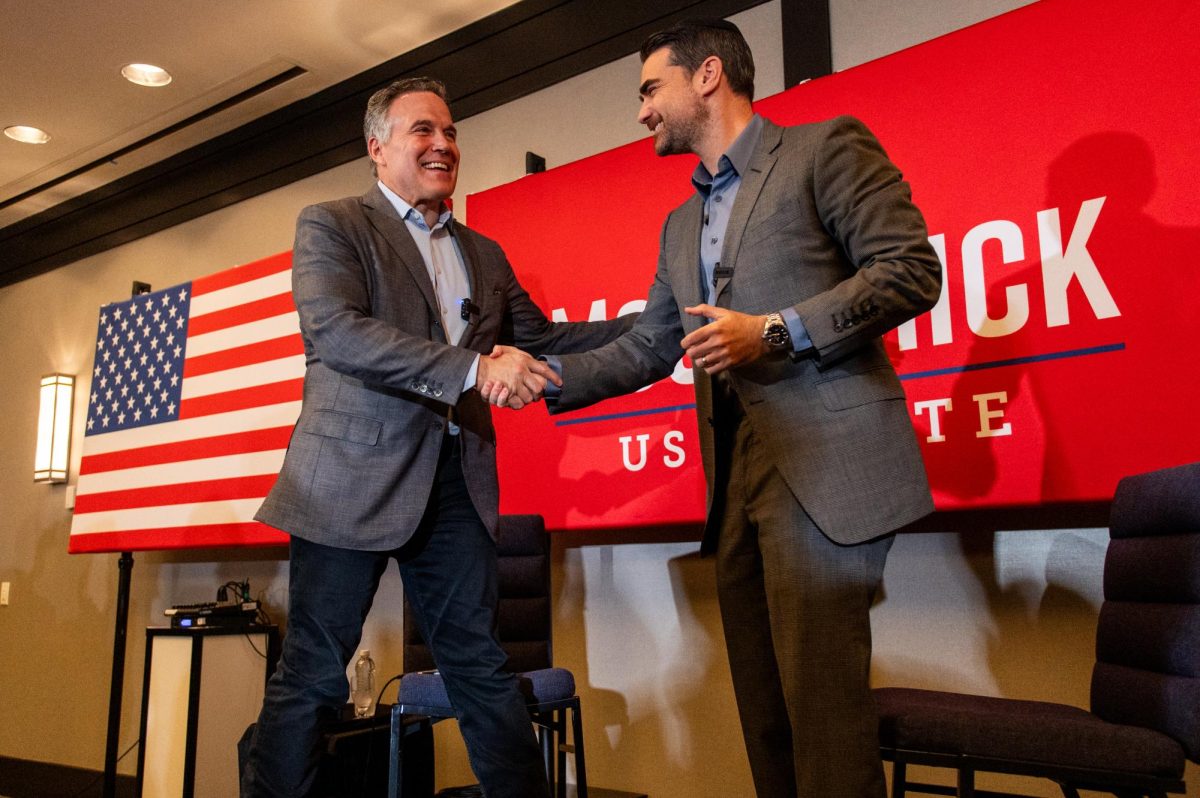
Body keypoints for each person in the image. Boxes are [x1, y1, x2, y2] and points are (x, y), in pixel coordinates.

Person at [506, 19, 942, 797]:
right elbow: (649, 345)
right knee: (764, 710)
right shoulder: (680, 225)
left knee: (823, 710)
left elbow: (910, 269)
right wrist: (541, 373)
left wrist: (775, 331)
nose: (641, 111)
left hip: (826, 471)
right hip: (735, 480)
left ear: (707, 75)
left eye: (649, 89)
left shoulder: (823, 148)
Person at [241, 76, 633, 798]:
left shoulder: (483, 253)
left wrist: (661, 327)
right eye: (423, 130)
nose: (443, 144)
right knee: (315, 672)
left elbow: (547, 341)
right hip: (346, 479)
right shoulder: (331, 223)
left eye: (450, 132)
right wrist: (471, 368)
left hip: (455, 478)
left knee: (480, 667)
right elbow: (339, 334)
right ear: (377, 147)